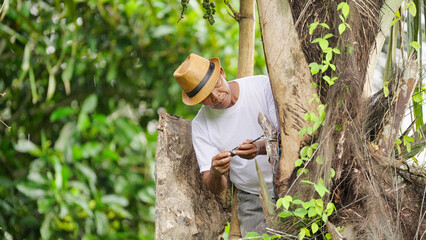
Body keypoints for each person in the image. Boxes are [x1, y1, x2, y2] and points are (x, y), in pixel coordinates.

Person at [173, 53, 278, 236]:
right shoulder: (201, 125)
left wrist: (260, 148)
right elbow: (215, 186)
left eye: (217, 86)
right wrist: (216, 171)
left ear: (221, 73)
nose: (216, 97)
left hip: (292, 180)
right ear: (197, 101)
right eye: (206, 97)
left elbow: (290, 136)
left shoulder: (261, 86)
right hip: (253, 198)